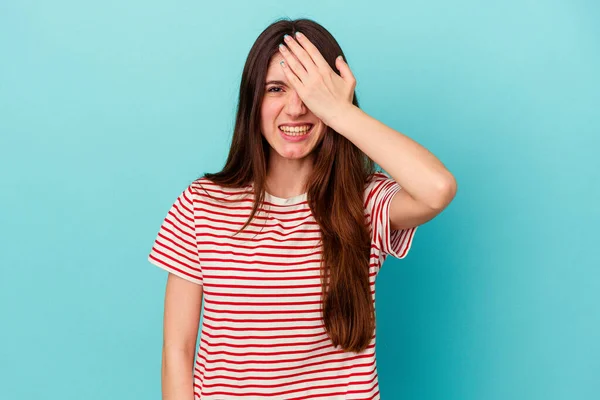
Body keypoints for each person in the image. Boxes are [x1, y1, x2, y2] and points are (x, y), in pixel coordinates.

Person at [148, 18, 457, 400]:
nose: (296, 109)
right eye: (276, 88)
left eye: (310, 92)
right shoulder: (201, 204)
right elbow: (177, 353)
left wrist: (341, 114)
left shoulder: (365, 202)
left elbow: (437, 189)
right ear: (253, 101)